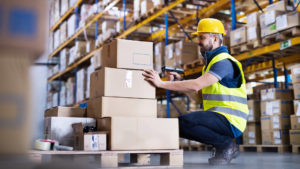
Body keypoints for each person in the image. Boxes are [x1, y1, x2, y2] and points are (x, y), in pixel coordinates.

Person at [142, 18, 248, 165]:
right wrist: (178, 82)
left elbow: (196, 85)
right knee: (181, 124)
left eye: (202, 37)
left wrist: (161, 83)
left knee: (184, 122)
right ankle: (224, 144)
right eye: (198, 37)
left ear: (215, 38)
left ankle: (225, 145)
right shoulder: (210, 65)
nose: (198, 41)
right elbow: (198, 99)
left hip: (231, 120)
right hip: (219, 117)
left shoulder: (224, 62)